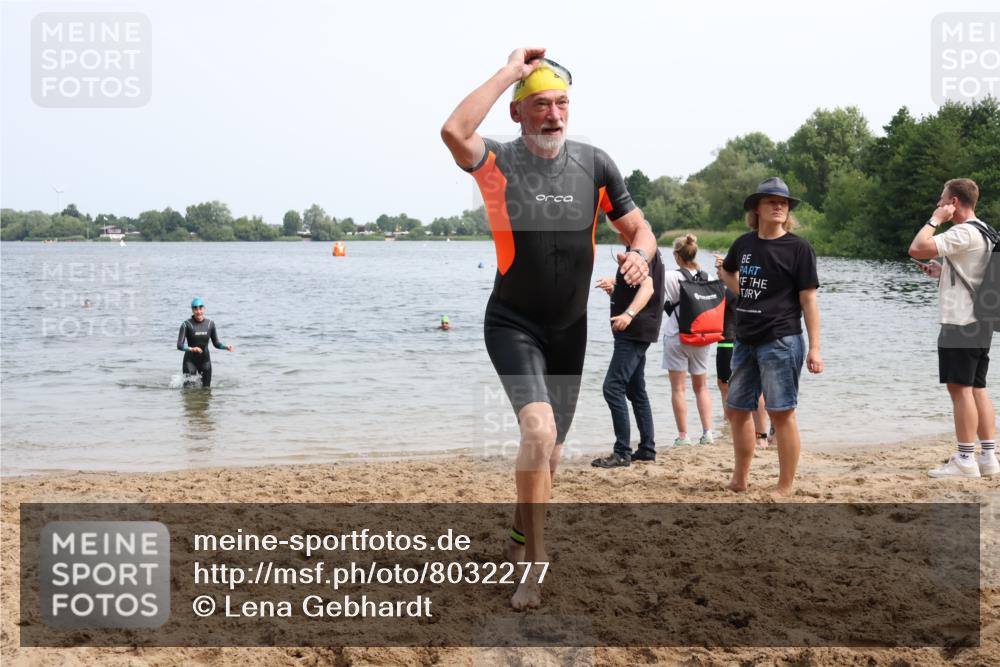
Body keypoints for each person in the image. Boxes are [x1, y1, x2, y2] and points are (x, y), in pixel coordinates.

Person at [441, 48, 656, 609]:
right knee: (537, 435)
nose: (554, 114)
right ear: (518, 112)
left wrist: (639, 254)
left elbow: (641, 230)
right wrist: (511, 70)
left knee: (551, 452)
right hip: (513, 322)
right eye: (540, 104)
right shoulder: (497, 163)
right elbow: (453, 129)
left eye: (562, 103)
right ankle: (533, 563)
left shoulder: (595, 164)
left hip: (570, 328)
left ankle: (518, 534)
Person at [718, 177, 823, 496]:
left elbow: (809, 300)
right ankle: (740, 479)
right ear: (757, 209)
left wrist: (815, 348)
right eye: (771, 201)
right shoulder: (744, 244)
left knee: (781, 411)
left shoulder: (799, 248)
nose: (779, 206)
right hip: (744, 339)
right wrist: (733, 283)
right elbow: (731, 276)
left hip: (781, 339)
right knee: (737, 409)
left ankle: (785, 485)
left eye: (783, 202)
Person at [909, 178, 997, 478]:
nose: (938, 203)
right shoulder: (985, 229)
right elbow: (974, 272)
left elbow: (917, 248)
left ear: (954, 203)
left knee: (959, 390)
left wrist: (936, 220)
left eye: (942, 199)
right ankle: (987, 457)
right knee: (977, 389)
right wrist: (942, 271)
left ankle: (965, 460)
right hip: (981, 320)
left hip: (960, 321)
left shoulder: (961, 232)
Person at [591, 227, 665, 468]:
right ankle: (647, 449)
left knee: (612, 388)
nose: (618, 235)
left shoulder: (644, 253)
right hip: (637, 329)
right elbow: (638, 287)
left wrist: (629, 314)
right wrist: (615, 291)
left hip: (634, 331)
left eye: (620, 230)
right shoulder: (639, 252)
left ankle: (622, 452)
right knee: (636, 390)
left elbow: (649, 288)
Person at [662, 235, 715, 446]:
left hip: (677, 336)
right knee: (701, 387)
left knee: (678, 389)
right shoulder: (708, 276)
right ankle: (708, 433)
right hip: (702, 337)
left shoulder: (670, 277)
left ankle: (684, 436)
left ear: (677, 256)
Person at [713, 273, 771, 449]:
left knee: (737, 388)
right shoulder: (749, 288)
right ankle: (734, 427)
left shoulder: (731, 291)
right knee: (733, 387)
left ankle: (757, 433)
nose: (717, 272)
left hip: (731, 341)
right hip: (742, 340)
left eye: (720, 268)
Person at [177, 297, 234, 388]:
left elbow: (216, 343)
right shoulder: (186, 324)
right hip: (190, 362)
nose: (198, 311)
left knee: (206, 391)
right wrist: (192, 348)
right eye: (195, 308)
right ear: (192, 310)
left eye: (200, 308)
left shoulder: (210, 324)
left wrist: (225, 347)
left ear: (204, 309)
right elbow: (179, 345)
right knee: (188, 392)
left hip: (205, 362)